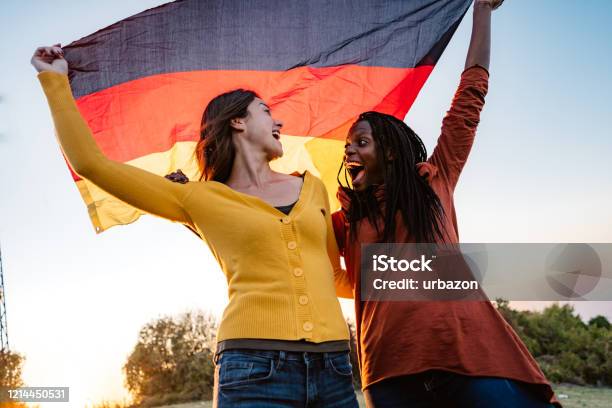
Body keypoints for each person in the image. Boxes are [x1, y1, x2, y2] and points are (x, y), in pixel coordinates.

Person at [32, 46, 358, 408]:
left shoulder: (313, 188)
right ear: (238, 122)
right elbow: (91, 164)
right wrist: (54, 80)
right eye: (267, 112)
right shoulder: (198, 199)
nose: (278, 123)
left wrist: (426, 277)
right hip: (253, 369)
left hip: (336, 370)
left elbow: (336, 277)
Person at [332, 0, 561, 407]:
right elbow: (280, 237)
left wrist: (483, 13)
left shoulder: (434, 180)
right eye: (347, 146)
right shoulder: (345, 219)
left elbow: (469, 99)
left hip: (470, 358)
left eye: (360, 143)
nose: (349, 152)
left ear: (389, 151)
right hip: (389, 372)